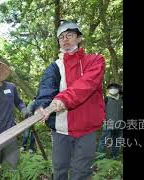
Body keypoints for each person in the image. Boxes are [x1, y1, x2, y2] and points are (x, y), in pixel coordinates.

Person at [32, 20, 105, 180]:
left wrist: (63, 99)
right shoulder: (54, 67)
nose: (65, 40)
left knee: (81, 173)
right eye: (61, 37)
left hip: (87, 129)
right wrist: (41, 107)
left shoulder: (95, 60)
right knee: (59, 171)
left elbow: (86, 84)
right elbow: (46, 88)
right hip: (61, 129)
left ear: (79, 38)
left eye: (69, 35)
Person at [98, 83, 123, 159]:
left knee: (117, 141)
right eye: (111, 87)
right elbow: (101, 111)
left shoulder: (121, 100)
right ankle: (100, 159)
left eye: (115, 87)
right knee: (104, 141)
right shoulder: (106, 99)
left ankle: (114, 157)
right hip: (108, 123)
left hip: (119, 124)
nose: (113, 89)